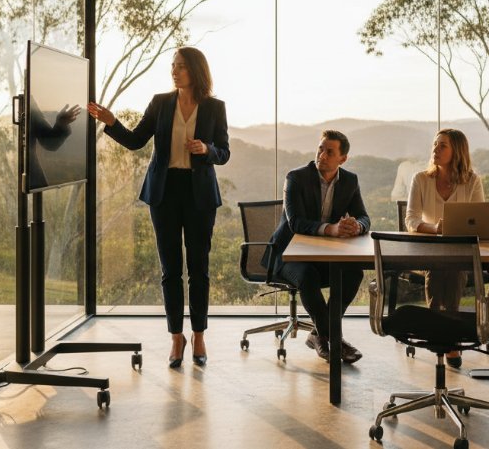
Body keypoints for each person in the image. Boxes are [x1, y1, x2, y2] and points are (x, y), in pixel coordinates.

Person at [87, 47, 229, 368]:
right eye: (173, 66)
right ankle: (176, 337)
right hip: (164, 193)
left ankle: (199, 334)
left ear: (195, 70)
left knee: (199, 269)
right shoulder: (160, 103)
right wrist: (112, 123)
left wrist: (206, 149)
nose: (174, 72)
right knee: (170, 270)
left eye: (180, 67)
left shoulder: (214, 107)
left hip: (199, 195)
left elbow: (224, 152)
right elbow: (137, 140)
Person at [263, 130, 370, 364]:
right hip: (288, 255)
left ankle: (318, 335)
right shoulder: (296, 177)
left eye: (329, 151)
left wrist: (357, 226)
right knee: (308, 276)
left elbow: (364, 216)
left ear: (343, 159)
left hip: (323, 255)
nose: (321, 154)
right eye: (320, 148)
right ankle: (332, 338)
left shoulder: (349, 181)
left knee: (353, 273)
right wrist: (330, 229)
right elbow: (296, 222)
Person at [404, 128, 484, 368]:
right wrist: (435, 229)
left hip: (461, 253)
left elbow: (479, 220)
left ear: (456, 151)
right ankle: (449, 338)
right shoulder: (421, 179)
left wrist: (457, 229)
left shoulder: (472, 181)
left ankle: (438, 331)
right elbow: (411, 220)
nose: (435, 150)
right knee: (442, 268)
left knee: (452, 269)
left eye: (442, 146)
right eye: (435, 145)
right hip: (428, 252)